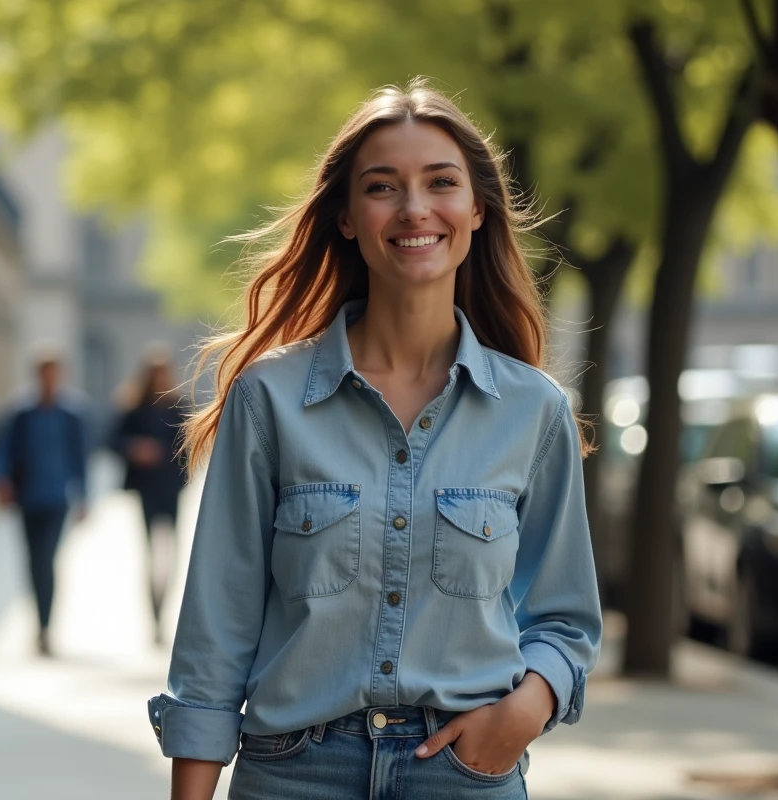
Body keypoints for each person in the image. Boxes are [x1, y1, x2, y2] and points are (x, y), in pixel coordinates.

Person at [147, 79, 602, 800]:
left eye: (441, 183)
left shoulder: (533, 410)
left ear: (476, 210)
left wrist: (525, 709)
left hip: (463, 774)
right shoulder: (270, 399)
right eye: (383, 187)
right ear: (349, 218)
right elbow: (217, 624)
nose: (415, 208)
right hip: (293, 772)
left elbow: (565, 615)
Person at [0, 352, 88, 657]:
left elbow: (79, 457)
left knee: (47, 560)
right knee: (33, 561)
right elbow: (3, 448)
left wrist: (83, 496)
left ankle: (46, 626)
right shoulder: (22, 412)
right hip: (28, 497)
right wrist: (0, 480)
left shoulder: (71, 413)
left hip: (56, 497)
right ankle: (39, 620)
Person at [111, 349, 187, 643]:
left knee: (171, 555)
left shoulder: (179, 407)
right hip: (145, 489)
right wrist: (135, 448)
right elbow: (112, 440)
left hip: (172, 488)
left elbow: (191, 446)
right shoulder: (135, 408)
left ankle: (164, 610)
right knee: (149, 553)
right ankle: (153, 617)